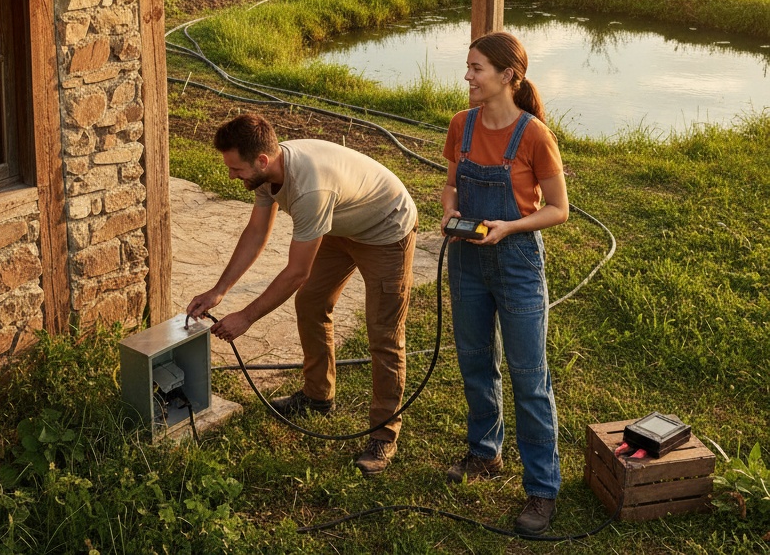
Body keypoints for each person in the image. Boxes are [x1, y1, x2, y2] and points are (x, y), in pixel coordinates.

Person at [187, 113, 418, 476]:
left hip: (386, 228)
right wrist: (219, 291)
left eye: (235, 168)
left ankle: (383, 434)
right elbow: (256, 233)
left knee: (384, 333)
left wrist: (246, 317)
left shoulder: (310, 188)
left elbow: (297, 271)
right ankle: (318, 396)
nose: (232, 176)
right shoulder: (266, 175)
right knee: (311, 303)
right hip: (340, 222)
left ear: (261, 160)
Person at [441, 31, 569, 538]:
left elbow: (559, 209)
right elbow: (452, 183)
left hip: (515, 261)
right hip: (466, 261)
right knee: (475, 362)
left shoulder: (534, 135)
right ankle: (484, 452)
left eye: (476, 68)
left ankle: (542, 487)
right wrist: (450, 208)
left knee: (528, 376)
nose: (468, 76)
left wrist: (510, 228)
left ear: (507, 76)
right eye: (468, 67)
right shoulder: (461, 126)